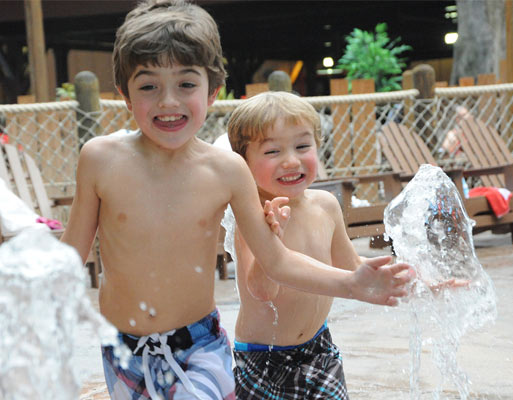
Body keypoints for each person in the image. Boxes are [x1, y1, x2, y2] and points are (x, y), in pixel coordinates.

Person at [60, 1, 413, 398]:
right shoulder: (100, 160)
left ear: (212, 92)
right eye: (148, 86)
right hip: (122, 349)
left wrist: (351, 282)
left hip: (199, 344)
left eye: (186, 84)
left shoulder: (226, 170)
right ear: (125, 94)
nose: (169, 101)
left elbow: (276, 260)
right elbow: (70, 256)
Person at [226, 91, 403, 399]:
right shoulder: (253, 216)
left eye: (303, 146)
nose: (291, 160)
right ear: (244, 162)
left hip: (319, 350)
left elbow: (352, 266)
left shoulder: (326, 205)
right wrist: (274, 237)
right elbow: (263, 291)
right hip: (264, 359)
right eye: (272, 152)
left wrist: (413, 279)